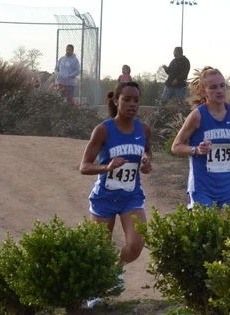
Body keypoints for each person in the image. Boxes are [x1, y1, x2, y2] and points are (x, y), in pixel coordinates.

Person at [80, 81, 153, 307]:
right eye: (127, 100)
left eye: (136, 100)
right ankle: (94, 291)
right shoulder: (103, 129)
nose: (132, 104)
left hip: (131, 196)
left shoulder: (143, 129)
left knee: (136, 244)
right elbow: (84, 166)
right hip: (105, 197)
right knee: (99, 248)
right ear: (116, 101)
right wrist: (107, 167)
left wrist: (147, 162)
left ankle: (115, 270)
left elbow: (148, 152)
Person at [171, 67, 230, 209]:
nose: (220, 90)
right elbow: (175, 146)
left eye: (222, 86)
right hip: (201, 188)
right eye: (213, 87)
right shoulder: (197, 116)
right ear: (203, 92)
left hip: (228, 188)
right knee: (206, 230)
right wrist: (196, 150)